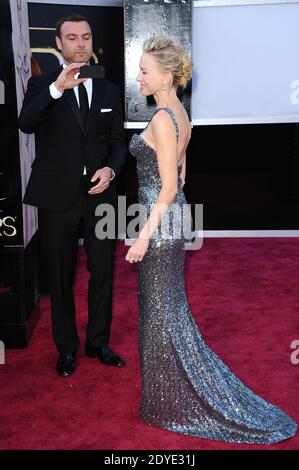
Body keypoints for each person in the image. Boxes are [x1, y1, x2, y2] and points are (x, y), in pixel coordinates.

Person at [126, 35, 297, 443]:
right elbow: (181, 175)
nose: (139, 77)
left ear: (166, 77)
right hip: (172, 216)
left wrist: (143, 239)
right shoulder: (178, 113)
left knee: (159, 311)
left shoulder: (162, 120)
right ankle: (166, 398)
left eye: (146, 71)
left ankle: (169, 404)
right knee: (167, 307)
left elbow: (168, 186)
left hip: (160, 220)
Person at [19, 14, 127, 377]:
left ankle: (98, 342)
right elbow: (26, 123)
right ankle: (66, 348)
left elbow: (116, 142)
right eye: (73, 37)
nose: (81, 43)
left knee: (103, 272)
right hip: (56, 195)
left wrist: (110, 169)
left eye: (86, 37)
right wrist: (56, 90)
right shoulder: (40, 84)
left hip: (100, 195)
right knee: (61, 275)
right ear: (58, 44)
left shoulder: (109, 89)